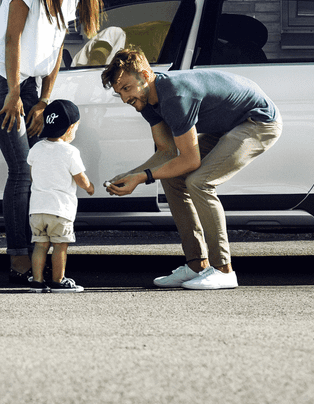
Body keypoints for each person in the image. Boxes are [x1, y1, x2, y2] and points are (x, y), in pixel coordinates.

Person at [0, 0, 101, 286]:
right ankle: (19, 262)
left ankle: (38, 259)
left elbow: (57, 47)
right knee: (22, 169)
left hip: (27, 82)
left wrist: (44, 98)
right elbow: (13, 38)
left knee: (41, 162)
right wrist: (14, 93)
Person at [102, 48, 282, 290]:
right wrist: (131, 175)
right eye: (119, 92)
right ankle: (197, 264)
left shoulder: (175, 97)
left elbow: (190, 161)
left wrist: (142, 177)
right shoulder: (146, 102)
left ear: (145, 76)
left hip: (257, 121)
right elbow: (166, 153)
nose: (125, 98)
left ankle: (224, 270)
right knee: (172, 179)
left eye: (127, 88)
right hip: (228, 124)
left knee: (200, 182)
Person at [26, 98, 95, 292]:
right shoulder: (70, 152)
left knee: (40, 245)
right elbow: (81, 179)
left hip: (37, 210)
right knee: (59, 246)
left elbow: (32, 175)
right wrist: (90, 188)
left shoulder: (36, 149)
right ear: (70, 128)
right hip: (60, 211)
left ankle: (37, 282)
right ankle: (58, 281)